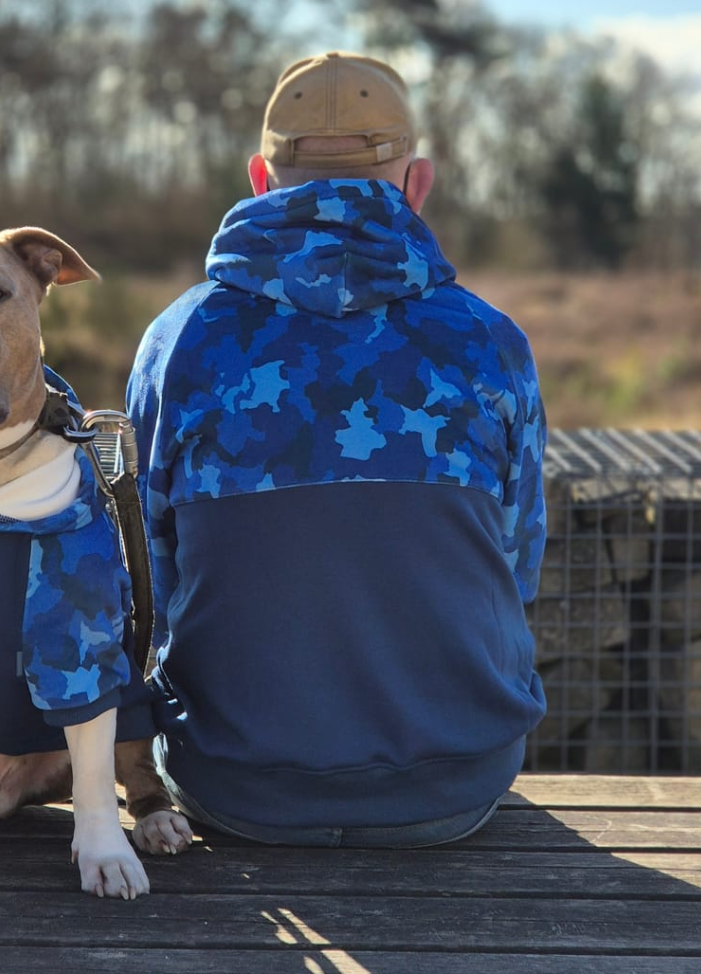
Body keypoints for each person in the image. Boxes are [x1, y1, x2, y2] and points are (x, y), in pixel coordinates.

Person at [127, 50, 547, 847]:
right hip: (455, 788)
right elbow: (517, 561)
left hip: (234, 785)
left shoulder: (181, 342)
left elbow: (147, 567)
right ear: (415, 183)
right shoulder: (489, 343)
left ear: (260, 177)